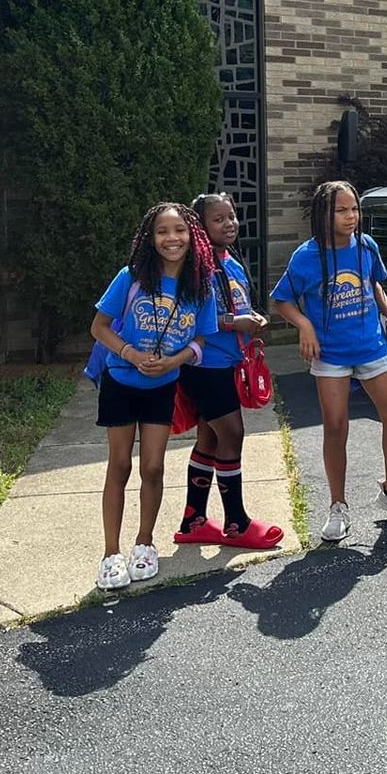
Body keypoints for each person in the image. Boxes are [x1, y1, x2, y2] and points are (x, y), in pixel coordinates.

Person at [272, 182, 387, 541]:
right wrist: (305, 325)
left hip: (370, 347)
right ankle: (337, 505)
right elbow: (281, 300)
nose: (351, 217)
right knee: (336, 426)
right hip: (330, 356)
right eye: (342, 210)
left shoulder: (366, 245)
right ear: (324, 214)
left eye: (354, 209)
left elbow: (374, 284)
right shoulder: (306, 256)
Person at [89, 202, 218, 591]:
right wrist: (129, 353)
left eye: (179, 230)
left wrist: (173, 361)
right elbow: (99, 327)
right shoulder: (131, 277)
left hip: (161, 387)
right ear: (150, 237)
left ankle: (144, 543)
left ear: (192, 236)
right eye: (162, 231)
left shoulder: (200, 284)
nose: (171, 238)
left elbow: (200, 340)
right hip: (120, 383)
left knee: (154, 468)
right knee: (119, 466)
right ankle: (111, 552)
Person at [173, 193, 284, 552]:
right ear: (200, 227)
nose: (229, 224)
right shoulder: (195, 269)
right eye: (218, 219)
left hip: (228, 363)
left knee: (209, 439)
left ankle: (193, 521)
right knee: (232, 433)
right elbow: (186, 321)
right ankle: (236, 522)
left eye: (232, 216)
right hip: (205, 365)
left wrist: (252, 319)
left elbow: (239, 306)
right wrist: (234, 322)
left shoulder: (230, 263)